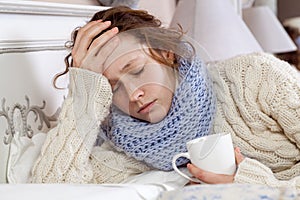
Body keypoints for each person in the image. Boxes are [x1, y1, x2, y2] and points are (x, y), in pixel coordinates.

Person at [31, 6, 300, 191]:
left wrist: (248, 182)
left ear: (167, 52)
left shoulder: (257, 77)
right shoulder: (129, 148)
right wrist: (83, 94)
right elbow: (48, 189)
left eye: (137, 70)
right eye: (113, 89)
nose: (133, 95)